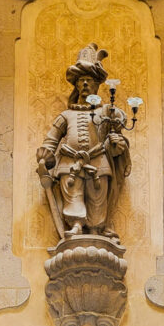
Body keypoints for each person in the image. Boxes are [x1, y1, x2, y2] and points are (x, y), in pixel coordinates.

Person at [36, 43, 131, 240]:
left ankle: (96, 229)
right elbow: (52, 138)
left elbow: (120, 121)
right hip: (70, 163)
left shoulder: (105, 112)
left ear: (97, 85)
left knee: (98, 195)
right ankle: (77, 224)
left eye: (89, 80)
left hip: (98, 160)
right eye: (81, 81)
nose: (85, 84)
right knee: (73, 192)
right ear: (77, 85)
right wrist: (46, 152)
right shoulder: (66, 115)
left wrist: (116, 139)